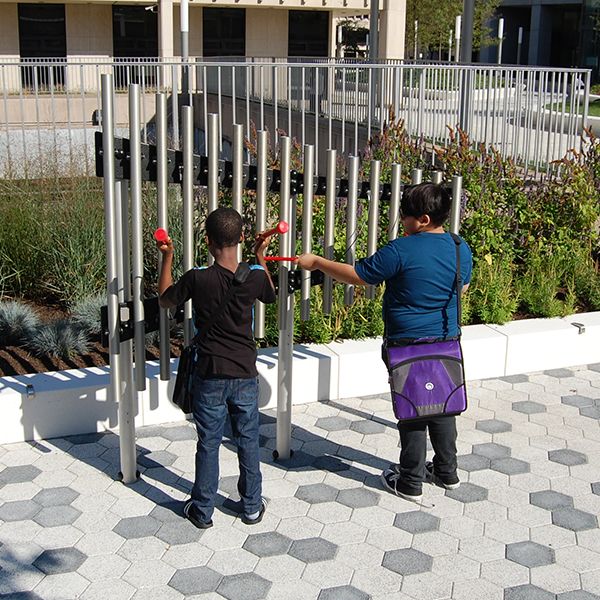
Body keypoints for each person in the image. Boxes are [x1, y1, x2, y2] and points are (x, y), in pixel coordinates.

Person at [297, 183, 472, 503]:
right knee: (444, 407)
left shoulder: (401, 250)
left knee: (414, 410)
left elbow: (359, 275)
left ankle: (410, 481)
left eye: (405, 214)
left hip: (406, 342)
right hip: (446, 342)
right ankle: (447, 473)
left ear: (423, 218)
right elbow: (461, 289)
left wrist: (318, 262)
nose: (401, 219)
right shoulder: (461, 247)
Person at [157, 207, 276, 527]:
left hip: (209, 373)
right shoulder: (253, 275)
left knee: (208, 442)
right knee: (248, 439)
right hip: (245, 374)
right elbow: (270, 294)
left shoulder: (198, 278)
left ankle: (202, 509)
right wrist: (260, 255)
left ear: (207, 241)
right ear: (239, 238)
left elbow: (166, 299)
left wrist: (167, 257)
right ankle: (251, 505)